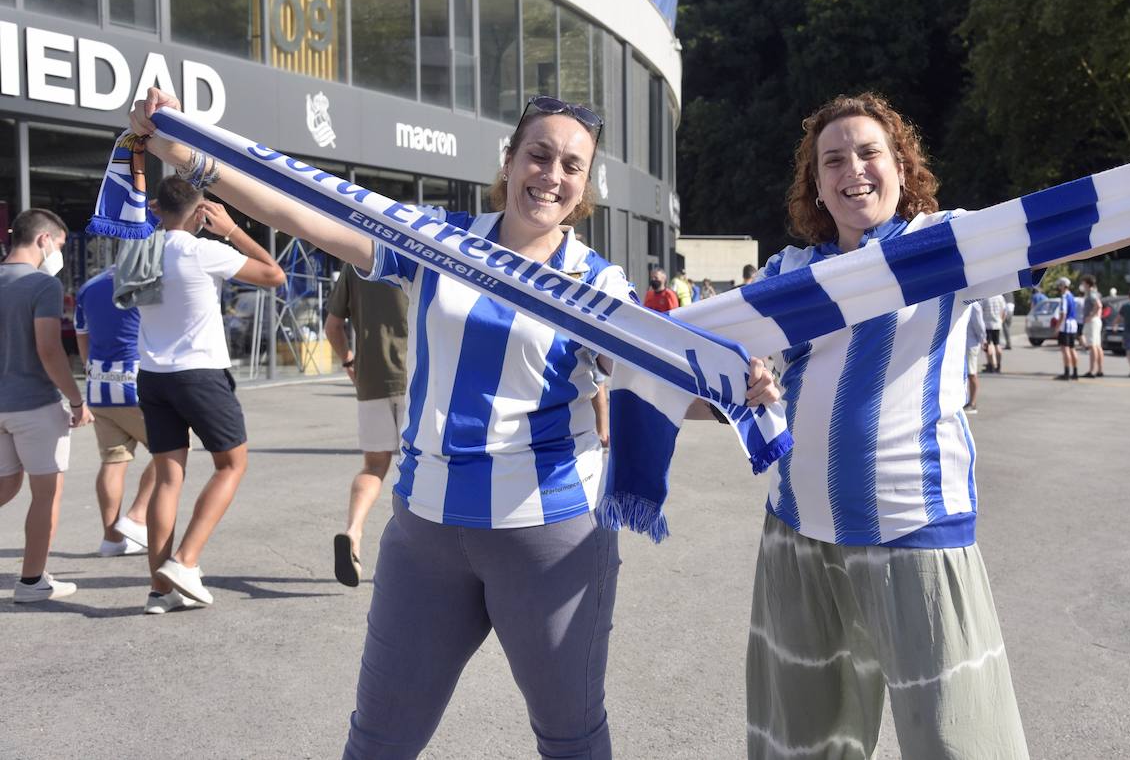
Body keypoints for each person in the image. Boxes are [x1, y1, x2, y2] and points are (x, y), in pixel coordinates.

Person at [131, 87, 776, 759]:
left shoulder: (595, 282)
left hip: (548, 537)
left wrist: (739, 391)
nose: (551, 174)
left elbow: (653, 380)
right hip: (426, 534)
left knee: (571, 740)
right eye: (539, 154)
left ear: (585, 185)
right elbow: (306, 211)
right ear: (510, 158)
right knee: (376, 741)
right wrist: (190, 154)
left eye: (571, 165)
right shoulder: (439, 241)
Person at [744, 92, 1130, 760]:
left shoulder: (945, 244)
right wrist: (754, 384)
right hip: (797, 533)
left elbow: (1077, 224)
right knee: (801, 740)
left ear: (901, 166)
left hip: (914, 526)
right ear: (815, 183)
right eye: (832, 160)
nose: (852, 171)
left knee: (958, 737)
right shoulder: (790, 272)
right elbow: (734, 370)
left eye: (869, 153)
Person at [136, 176, 286, 614]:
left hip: (153, 374)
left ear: (157, 209)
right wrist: (234, 231)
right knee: (232, 464)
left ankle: (159, 590)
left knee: (167, 479)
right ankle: (185, 560)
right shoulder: (204, 250)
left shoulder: (140, 252)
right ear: (202, 211)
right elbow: (273, 275)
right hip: (198, 372)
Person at [1, 208, 94, 603]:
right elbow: (49, 349)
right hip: (34, 405)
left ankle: (33, 577)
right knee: (46, 492)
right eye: (57, 244)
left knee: (5, 485)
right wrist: (76, 400)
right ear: (42, 240)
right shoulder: (43, 285)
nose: (56, 252)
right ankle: (32, 581)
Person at [324, 264, 409, 587]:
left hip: (371, 379)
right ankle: (411, 555)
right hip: (420, 378)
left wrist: (349, 361)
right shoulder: (420, 255)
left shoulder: (356, 263)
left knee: (374, 466)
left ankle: (353, 531)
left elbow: (333, 326)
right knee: (423, 468)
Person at [74, 265, 155, 557]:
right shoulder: (148, 282)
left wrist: (89, 366)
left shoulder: (90, 285)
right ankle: (137, 515)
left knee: (113, 461)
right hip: (138, 381)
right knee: (173, 449)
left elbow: (81, 332)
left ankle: (111, 539)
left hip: (100, 384)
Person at [1054, 276, 1080, 380]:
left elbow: (1063, 314)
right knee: (1072, 348)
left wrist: (1057, 327)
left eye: (1060, 285)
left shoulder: (1064, 297)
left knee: (1065, 349)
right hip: (1073, 324)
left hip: (1066, 325)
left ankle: (1067, 373)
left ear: (1064, 286)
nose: (1059, 287)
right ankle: (1075, 372)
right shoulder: (1071, 296)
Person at [1080, 275, 1104, 378]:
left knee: (1092, 345)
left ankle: (1092, 370)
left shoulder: (1091, 293)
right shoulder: (1095, 292)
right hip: (1096, 321)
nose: (1082, 285)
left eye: (1083, 283)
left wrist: (1090, 316)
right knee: (1097, 346)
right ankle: (1099, 370)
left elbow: (1098, 305)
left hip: (1092, 322)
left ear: (1087, 284)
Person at [965, 299, 985, 414]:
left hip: (971, 344)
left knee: (972, 374)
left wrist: (983, 340)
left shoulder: (974, 306)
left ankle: (973, 403)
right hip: (965, 344)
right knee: (967, 373)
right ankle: (968, 401)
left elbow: (980, 327)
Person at [981, 293, 1005, 373]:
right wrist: (1001, 320)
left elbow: (981, 310)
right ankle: (998, 365)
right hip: (997, 323)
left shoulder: (985, 297)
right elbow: (1004, 311)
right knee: (997, 344)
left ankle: (990, 365)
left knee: (989, 345)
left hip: (987, 324)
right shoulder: (1000, 297)